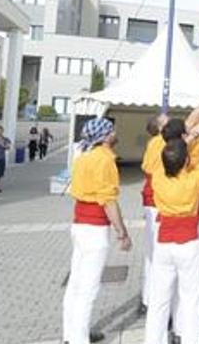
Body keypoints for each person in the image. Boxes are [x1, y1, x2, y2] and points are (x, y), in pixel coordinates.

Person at [62, 118, 132, 344]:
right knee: (88, 288)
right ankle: (78, 339)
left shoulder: (83, 157)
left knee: (75, 283)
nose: (115, 132)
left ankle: (70, 333)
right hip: (94, 228)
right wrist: (122, 232)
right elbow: (109, 201)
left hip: (79, 224)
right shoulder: (105, 161)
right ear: (105, 136)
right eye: (112, 130)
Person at [144, 124, 199, 344]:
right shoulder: (194, 180)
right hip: (188, 242)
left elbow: (167, 161)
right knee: (190, 299)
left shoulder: (157, 178)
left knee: (159, 300)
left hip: (164, 242)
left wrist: (184, 143)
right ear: (185, 161)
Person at [138, 114, 169, 315]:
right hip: (157, 201)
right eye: (164, 119)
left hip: (152, 200)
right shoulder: (160, 143)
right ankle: (154, 299)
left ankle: (148, 297)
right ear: (159, 127)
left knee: (152, 252)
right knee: (158, 253)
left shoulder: (154, 143)